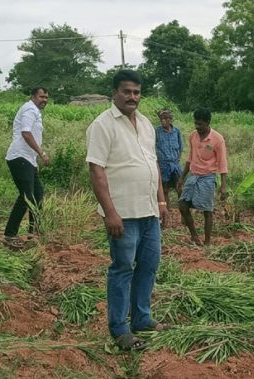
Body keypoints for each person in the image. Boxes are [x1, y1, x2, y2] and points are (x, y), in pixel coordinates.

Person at [85, 69, 170, 351]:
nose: (132, 97)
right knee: (122, 269)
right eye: (126, 91)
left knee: (148, 266)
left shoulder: (145, 124)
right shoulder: (103, 125)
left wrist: (161, 201)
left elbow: (152, 163)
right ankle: (120, 328)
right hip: (123, 213)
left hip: (149, 211)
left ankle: (142, 318)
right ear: (115, 93)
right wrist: (110, 212)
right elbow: (96, 170)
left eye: (136, 92)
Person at [3, 87, 50, 249]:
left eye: (46, 97)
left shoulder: (34, 111)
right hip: (20, 157)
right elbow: (26, 133)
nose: (44, 100)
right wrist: (41, 153)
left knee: (37, 194)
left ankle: (34, 233)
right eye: (41, 96)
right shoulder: (30, 109)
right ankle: (9, 235)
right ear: (33, 96)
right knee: (26, 197)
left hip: (28, 160)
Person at [178, 108, 228, 246]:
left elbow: (223, 163)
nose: (197, 127)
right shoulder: (193, 136)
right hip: (193, 176)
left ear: (207, 123)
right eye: (196, 123)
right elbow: (190, 158)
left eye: (200, 124)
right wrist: (182, 177)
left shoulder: (217, 139)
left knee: (207, 211)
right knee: (182, 205)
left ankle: (207, 242)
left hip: (208, 177)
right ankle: (194, 236)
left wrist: (223, 186)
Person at [155, 109, 183, 207]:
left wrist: (177, 158)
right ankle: (166, 210)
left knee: (179, 186)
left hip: (175, 163)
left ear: (170, 119)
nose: (163, 121)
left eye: (166, 118)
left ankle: (182, 211)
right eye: (161, 119)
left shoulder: (176, 131)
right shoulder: (157, 132)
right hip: (163, 164)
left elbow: (180, 146)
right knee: (165, 188)